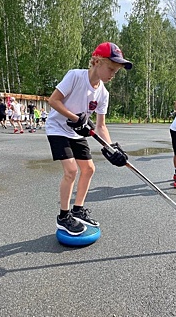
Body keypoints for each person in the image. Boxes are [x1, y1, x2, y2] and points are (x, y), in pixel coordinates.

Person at [46, 42, 132, 235]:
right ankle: (63, 217)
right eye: (110, 69)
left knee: (89, 169)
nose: (112, 75)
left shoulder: (103, 93)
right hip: (58, 128)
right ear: (96, 61)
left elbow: (101, 126)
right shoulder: (75, 76)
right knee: (71, 170)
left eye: (115, 72)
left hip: (77, 132)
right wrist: (76, 118)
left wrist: (112, 149)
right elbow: (53, 100)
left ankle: (78, 210)